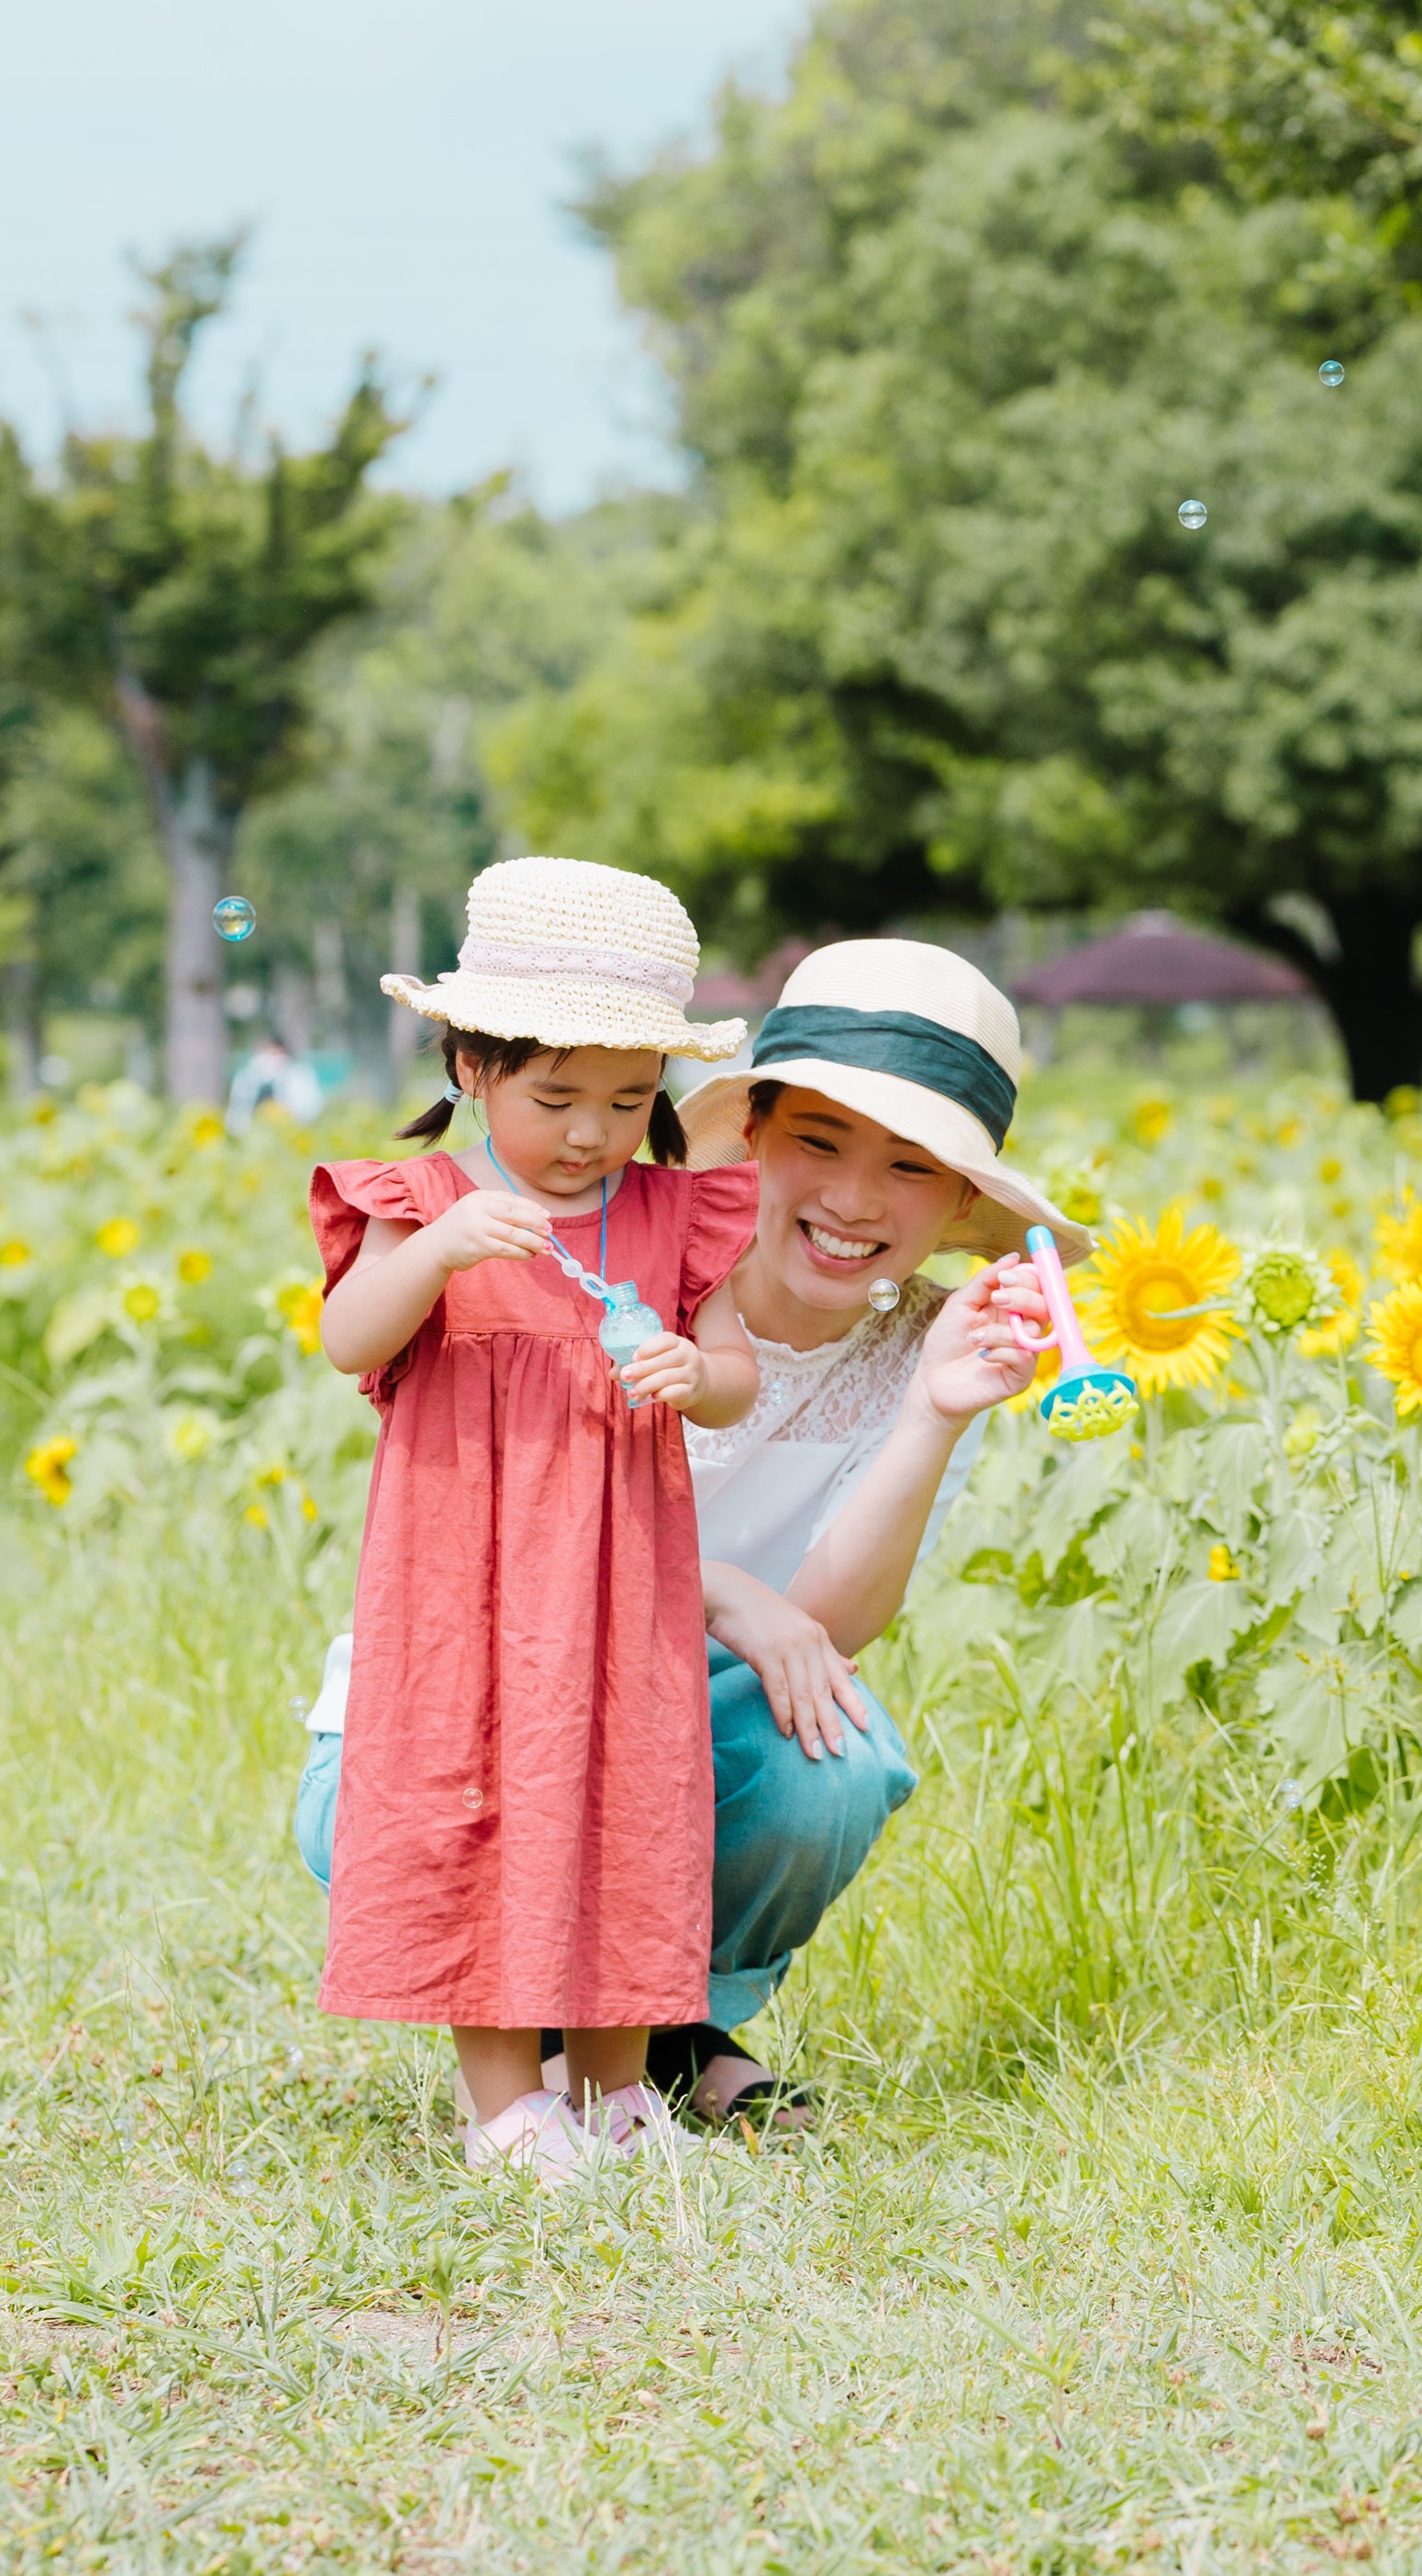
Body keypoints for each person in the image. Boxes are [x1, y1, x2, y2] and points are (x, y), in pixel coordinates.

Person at [294, 932, 1083, 2144]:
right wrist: (713, 1587)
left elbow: (826, 1633)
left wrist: (932, 1411)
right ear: (750, 1136)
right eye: (819, 1142)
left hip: (664, 1706)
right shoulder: (550, 1239)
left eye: (910, 1167)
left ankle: (656, 2037)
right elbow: (361, 1341)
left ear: (961, 1202)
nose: (855, 1199)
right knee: (469, 1795)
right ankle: (523, 2053)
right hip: (473, 1684)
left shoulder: (928, 1346)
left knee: (819, 1765)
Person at [313, 853, 763, 2184]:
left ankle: (616, 2091)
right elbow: (349, 1340)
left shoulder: (678, 1212)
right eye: (555, 1098)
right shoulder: (422, 1205)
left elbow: (736, 1371)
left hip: (623, 1586)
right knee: (477, 1803)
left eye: (627, 1100)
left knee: (634, 1803)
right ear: (471, 1065)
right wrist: (436, 1254)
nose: (590, 1133)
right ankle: (505, 2103)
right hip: (468, 1584)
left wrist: (696, 1374)